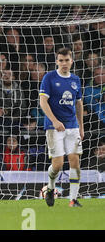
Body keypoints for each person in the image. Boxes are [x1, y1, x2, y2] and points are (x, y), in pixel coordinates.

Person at [39, 48, 84, 208]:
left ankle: (73, 199)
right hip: (54, 127)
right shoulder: (49, 78)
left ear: (72, 61)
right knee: (57, 164)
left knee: (75, 161)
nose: (64, 63)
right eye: (61, 60)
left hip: (72, 126)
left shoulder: (75, 80)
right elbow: (43, 102)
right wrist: (55, 120)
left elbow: (78, 103)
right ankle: (50, 188)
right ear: (57, 62)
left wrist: (81, 126)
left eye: (67, 60)